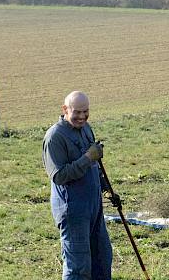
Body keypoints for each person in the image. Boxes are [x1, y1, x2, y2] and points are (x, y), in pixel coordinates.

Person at [43, 91, 118, 280]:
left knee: (102, 258)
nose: (82, 116)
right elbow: (59, 176)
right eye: (77, 112)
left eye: (86, 112)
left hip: (94, 206)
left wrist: (107, 189)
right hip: (73, 210)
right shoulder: (55, 137)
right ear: (65, 109)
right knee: (78, 267)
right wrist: (87, 158)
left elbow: (94, 166)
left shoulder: (86, 129)